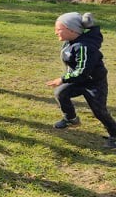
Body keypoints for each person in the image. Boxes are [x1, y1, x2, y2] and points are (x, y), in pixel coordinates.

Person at [46, 11, 116, 149]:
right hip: (79, 79)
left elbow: (82, 71)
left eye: (58, 29)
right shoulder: (70, 42)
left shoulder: (84, 47)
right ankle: (71, 119)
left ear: (72, 30)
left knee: (99, 111)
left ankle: (114, 134)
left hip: (93, 83)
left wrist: (62, 79)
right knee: (61, 93)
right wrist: (67, 76)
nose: (55, 32)